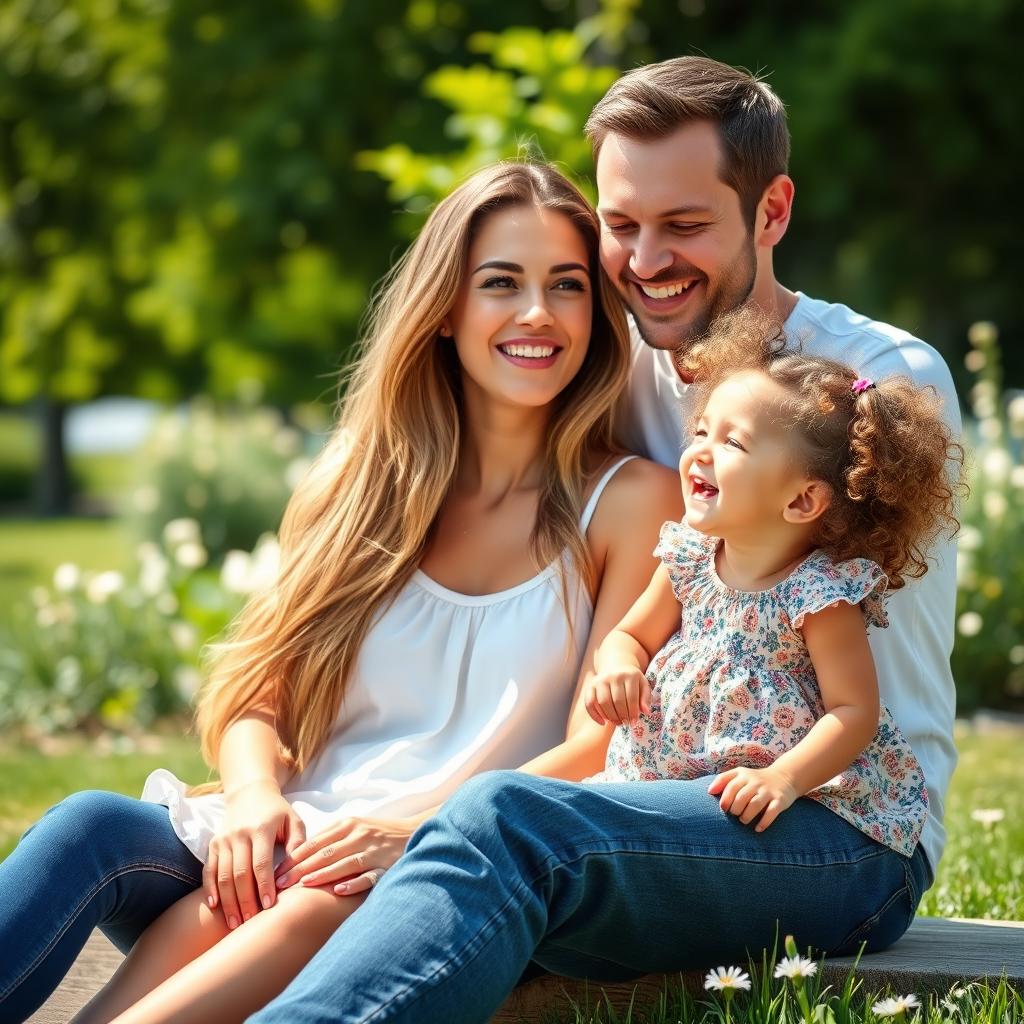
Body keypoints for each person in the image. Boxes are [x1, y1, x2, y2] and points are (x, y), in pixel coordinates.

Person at [237, 56, 964, 1023]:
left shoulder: (867, 386)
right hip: (653, 802)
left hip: (832, 822)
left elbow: (825, 682)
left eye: (686, 225)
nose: (646, 259)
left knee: (503, 824)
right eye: (622, 226)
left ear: (773, 211)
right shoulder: (623, 373)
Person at [0, 162, 679, 1023]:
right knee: (89, 824)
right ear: (445, 310)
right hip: (285, 832)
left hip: (433, 863)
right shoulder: (358, 482)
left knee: (317, 894)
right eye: (501, 282)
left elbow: (599, 745)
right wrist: (253, 801)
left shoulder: (625, 502)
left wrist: (421, 831)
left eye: (568, 286)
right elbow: (256, 694)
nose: (537, 313)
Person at [584, 314, 963, 868]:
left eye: (732, 441)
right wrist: (617, 666)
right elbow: (629, 636)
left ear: (802, 501)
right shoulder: (688, 560)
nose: (701, 451)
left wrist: (784, 778)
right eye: (701, 431)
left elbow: (852, 712)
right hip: (664, 777)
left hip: (764, 800)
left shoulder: (817, 595)